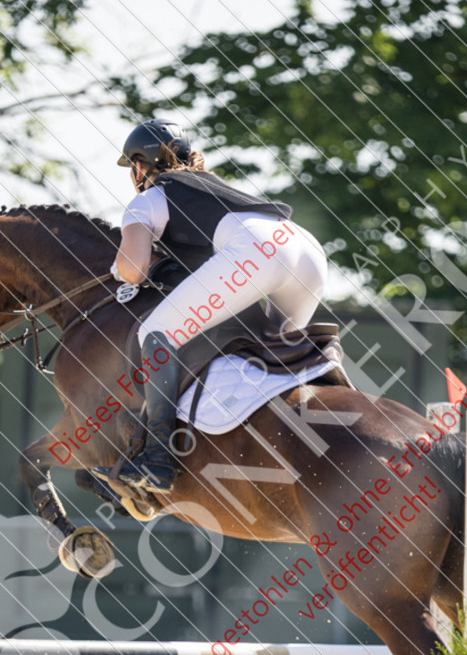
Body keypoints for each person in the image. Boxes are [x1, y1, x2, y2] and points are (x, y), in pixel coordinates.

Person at [109, 117, 330, 494]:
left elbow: (134, 269)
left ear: (139, 165)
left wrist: (117, 267)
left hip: (259, 251)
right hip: (306, 251)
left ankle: (158, 460)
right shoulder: (210, 187)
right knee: (280, 355)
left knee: (155, 332)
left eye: (134, 167)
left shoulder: (149, 197)